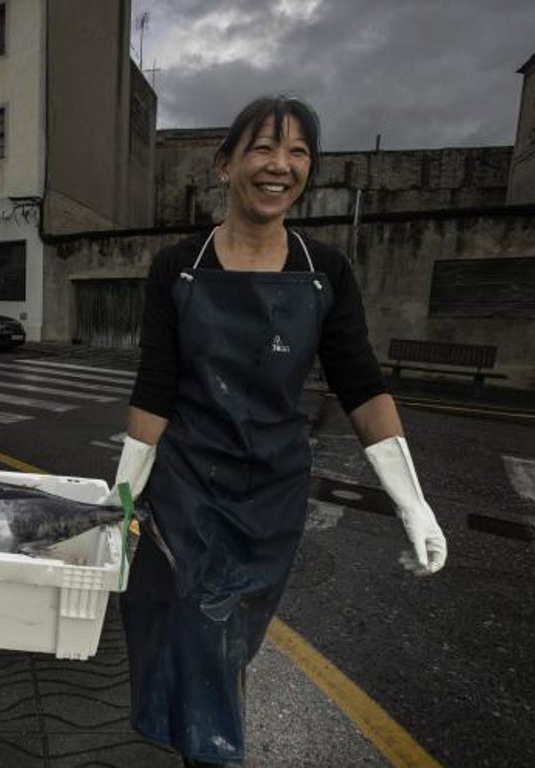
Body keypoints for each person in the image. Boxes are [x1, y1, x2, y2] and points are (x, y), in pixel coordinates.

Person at [106, 96, 448, 766]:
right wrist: (119, 501)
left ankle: (200, 743)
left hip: (272, 499)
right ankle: (215, 756)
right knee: (199, 632)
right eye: (263, 147)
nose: (280, 165)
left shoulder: (325, 273)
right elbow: (156, 385)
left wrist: (414, 501)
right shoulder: (177, 266)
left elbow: (361, 383)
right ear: (226, 163)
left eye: (298, 152)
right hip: (185, 492)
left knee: (229, 645)